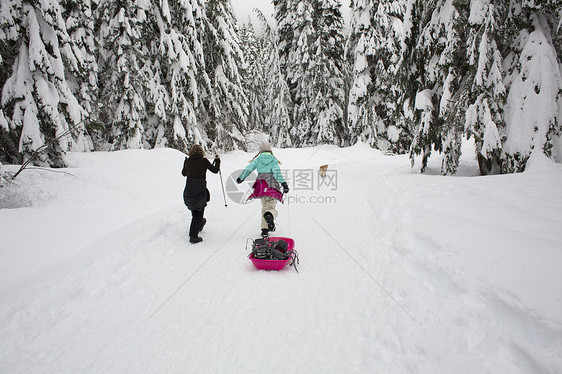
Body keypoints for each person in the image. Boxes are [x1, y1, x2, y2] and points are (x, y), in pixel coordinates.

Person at [236, 141, 289, 237]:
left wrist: (241, 178)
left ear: (260, 150)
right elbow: (277, 173)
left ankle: (264, 230)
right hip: (271, 186)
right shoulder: (273, 160)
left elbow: (249, 168)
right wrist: (284, 184)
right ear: (270, 150)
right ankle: (270, 217)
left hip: (261, 186)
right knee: (270, 208)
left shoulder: (258, 159)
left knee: (265, 207)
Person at [182, 145, 220, 243]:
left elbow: (184, 173)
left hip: (189, 188)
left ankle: (199, 224)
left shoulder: (188, 161)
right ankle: (193, 236)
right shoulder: (203, 161)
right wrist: (218, 161)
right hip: (199, 189)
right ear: (201, 152)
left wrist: (186, 163)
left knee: (195, 208)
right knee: (198, 211)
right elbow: (215, 170)